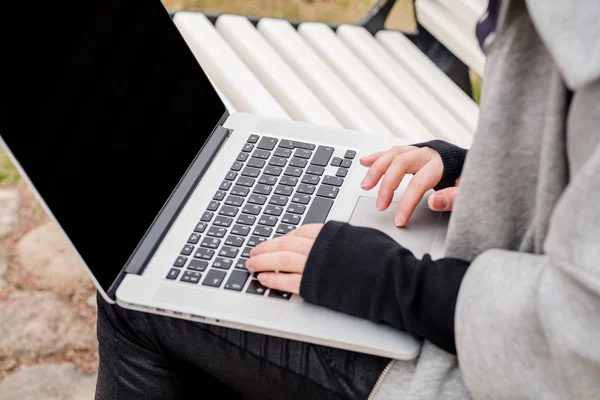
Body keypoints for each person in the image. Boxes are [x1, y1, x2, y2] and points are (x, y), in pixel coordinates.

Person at [95, 0, 600, 399]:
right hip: (486, 284)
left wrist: (385, 282)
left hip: (488, 371)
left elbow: (581, 344)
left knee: (136, 297)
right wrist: (472, 168)